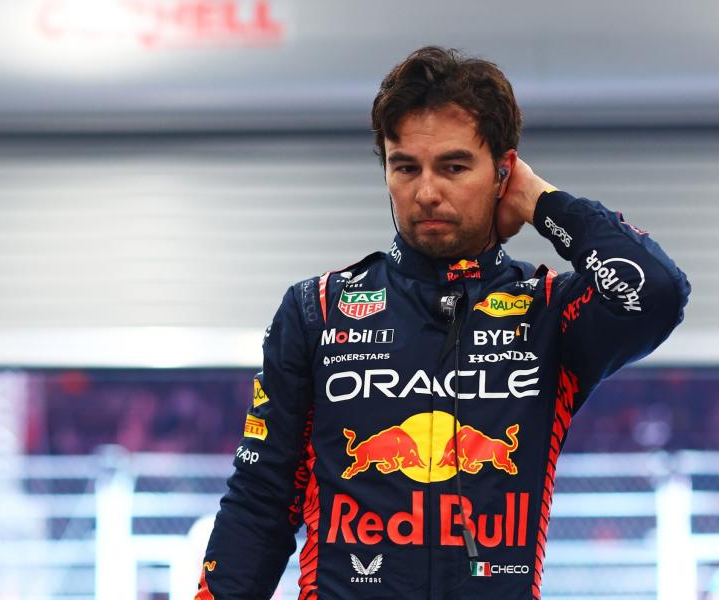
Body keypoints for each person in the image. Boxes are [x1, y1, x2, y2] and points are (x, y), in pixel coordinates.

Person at [196, 46, 691, 600]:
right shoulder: (317, 309)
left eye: (454, 167)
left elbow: (658, 291)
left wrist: (539, 200)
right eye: (405, 167)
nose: (426, 192)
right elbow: (261, 500)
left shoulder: (548, 311)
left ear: (501, 171)